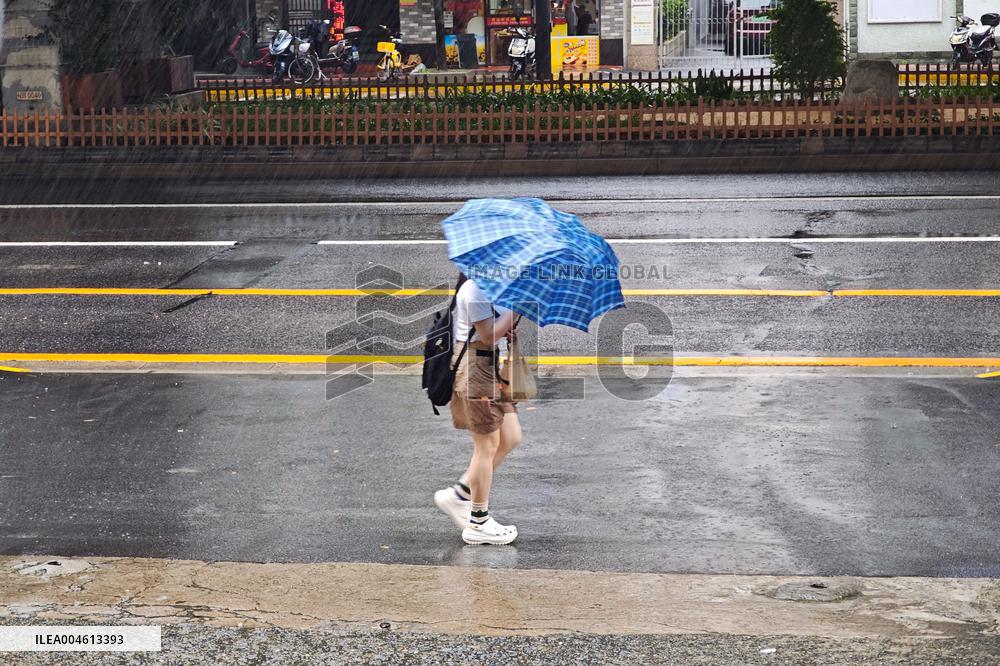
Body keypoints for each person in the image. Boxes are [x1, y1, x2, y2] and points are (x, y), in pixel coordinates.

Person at [434, 273, 523, 545]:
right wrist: (517, 308)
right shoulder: (476, 289)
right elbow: (487, 334)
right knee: (487, 445)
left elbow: (494, 329)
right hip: (475, 370)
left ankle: (459, 495)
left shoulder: (491, 285)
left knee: (510, 437)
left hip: (489, 365)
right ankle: (479, 521)